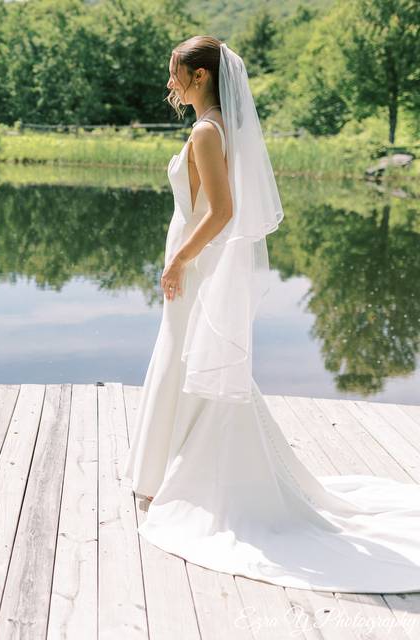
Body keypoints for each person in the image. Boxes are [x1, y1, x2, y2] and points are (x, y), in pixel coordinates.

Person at [122, 36, 420, 592]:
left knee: (187, 361)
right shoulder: (217, 129)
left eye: (175, 75)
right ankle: (167, 472)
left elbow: (222, 211)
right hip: (192, 261)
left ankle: (184, 478)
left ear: (202, 78)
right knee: (185, 360)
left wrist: (180, 260)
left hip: (193, 264)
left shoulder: (207, 132)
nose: (170, 85)